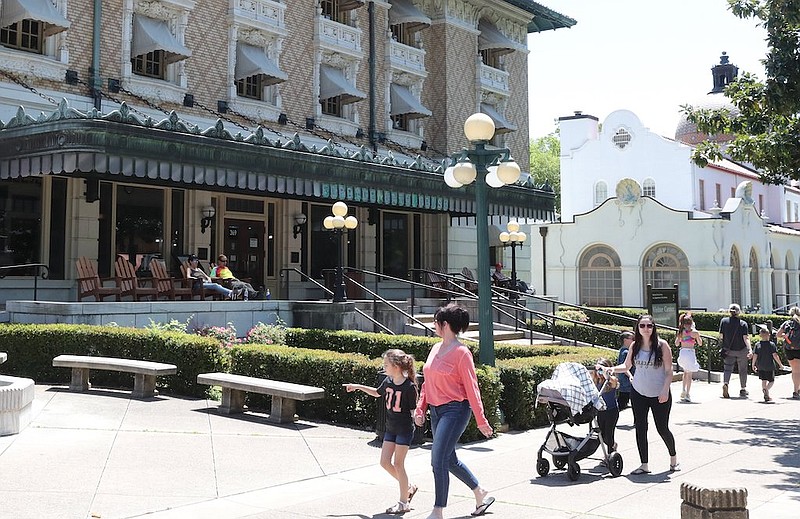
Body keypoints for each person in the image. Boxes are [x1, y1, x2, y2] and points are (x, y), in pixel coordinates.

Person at [414, 304, 495, 518]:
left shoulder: (462, 353)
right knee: (448, 459)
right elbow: (427, 383)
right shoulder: (435, 349)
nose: (434, 325)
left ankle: (438, 510)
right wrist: (420, 408)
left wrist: (481, 420)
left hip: (456, 410)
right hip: (436, 410)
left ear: (446, 325)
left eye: (436, 322)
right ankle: (480, 492)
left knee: (437, 458)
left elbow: (472, 387)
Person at [344, 350, 419, 514]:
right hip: (390, 428)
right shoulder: (388, 381)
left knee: (399, 464)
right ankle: (409, 487)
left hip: (404, 430)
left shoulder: (409, 387)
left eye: (386, 365)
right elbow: (377, 393)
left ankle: (403, 502)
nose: (384, 368)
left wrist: (418, 418)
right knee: (385, 462)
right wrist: (357, 387)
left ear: (397, 366)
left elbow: (414, 411)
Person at [603, 314, 679, 475]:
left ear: (653, 327)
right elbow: (626, 365)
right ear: (637, 328)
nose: (646, 329)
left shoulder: (662, 345)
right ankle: (644, 464)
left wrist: (665, 390)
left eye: (649, 326)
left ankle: (673, 459)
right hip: (638, 392)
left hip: (659, 394)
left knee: (662, 428)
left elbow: (669, 370)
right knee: (640, 428)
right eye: (642, 326)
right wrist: (611, 369)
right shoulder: (635, 346)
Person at [718, 303, 753, 398]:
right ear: (739, 312)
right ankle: (743, 389)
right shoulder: (743, 324)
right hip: (741, 350)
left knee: (727, 368)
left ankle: (726, 383)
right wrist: (750, 350)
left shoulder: (724, 321)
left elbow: (721, 336)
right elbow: (746, 338)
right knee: (742, 370)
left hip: (728, 350)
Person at [752, 324, 785, 403]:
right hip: (769, 365)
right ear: (768, 335)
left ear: (760, 335)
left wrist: (753, 364)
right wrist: (780, 364)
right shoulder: (771, 345)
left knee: (763, 380)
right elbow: (775, 356)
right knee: (771, 381)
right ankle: (766, 390)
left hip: (760, 365)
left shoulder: (757, 345)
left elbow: (755, 355)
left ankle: (765, 391)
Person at [592, 358, 619, 454]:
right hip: (601, 411)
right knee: (601, 436)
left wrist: (605, 371)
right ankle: (613, 445)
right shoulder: (597, 381)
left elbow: (613, 381)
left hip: (611, 411)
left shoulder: (611, 381)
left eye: (600, 370)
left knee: (609, 435)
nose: (598, 373)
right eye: (597, 371)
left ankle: (610, 455)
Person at [675, 312, 702, 402]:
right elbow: (700, 343)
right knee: (689, 374)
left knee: (685, 372)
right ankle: (687, 393)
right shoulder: (694, 332)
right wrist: (695, 335)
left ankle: (683, 389)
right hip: (690, 353)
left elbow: (676, 344)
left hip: (682, 352)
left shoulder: (680, 332)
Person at [776, 306, 800, 399]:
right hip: (799, 348)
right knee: (798, 370)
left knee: (794, 370)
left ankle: (796, 390)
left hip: (789, 349)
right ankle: (796, 390)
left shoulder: (787, 323)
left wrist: (784, 336)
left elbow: (778, 335)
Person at [616, 331, 634, 410]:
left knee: (623, 400)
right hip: (626, 382)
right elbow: (624, 366)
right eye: (632, 338)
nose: (634, 340)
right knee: (622, 402)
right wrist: (630, 376)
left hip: (625, 382)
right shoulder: (625, 352)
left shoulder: (624, 351)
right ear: (625, 340)